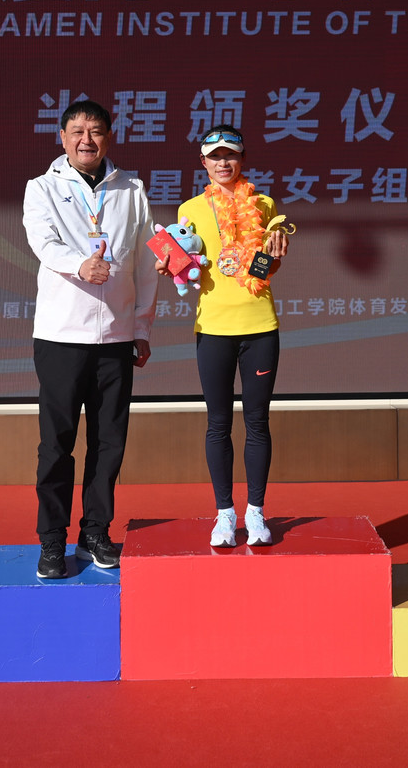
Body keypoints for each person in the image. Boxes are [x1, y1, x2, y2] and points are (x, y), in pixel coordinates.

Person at [23, 99, 158, 579]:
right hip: (61, 335)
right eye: (77, 131)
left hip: (116, 336)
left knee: (109, 442)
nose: (86, 139)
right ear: (61, 137)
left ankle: (96, 531)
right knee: (57, 443)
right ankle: (52, 539)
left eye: (96, 130)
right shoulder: (42, 188)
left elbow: (145, 263)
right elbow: (43, 242)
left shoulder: (131, 189)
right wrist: (80, 265)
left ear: (108, 137)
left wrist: (140, 327)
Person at [158, 125, 290, 548]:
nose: (222, 163)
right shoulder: (190, 209)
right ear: (203, 162)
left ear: (242, 158)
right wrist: (171, 267)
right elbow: (185, 267)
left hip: (259, 326)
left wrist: (274, 256)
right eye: (214, 156)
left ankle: (255, 512)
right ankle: (224, 514)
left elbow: (265, 269)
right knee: (218, 423)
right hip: (213, 328)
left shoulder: (264, 204)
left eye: (230, 154)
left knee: (257, 421)